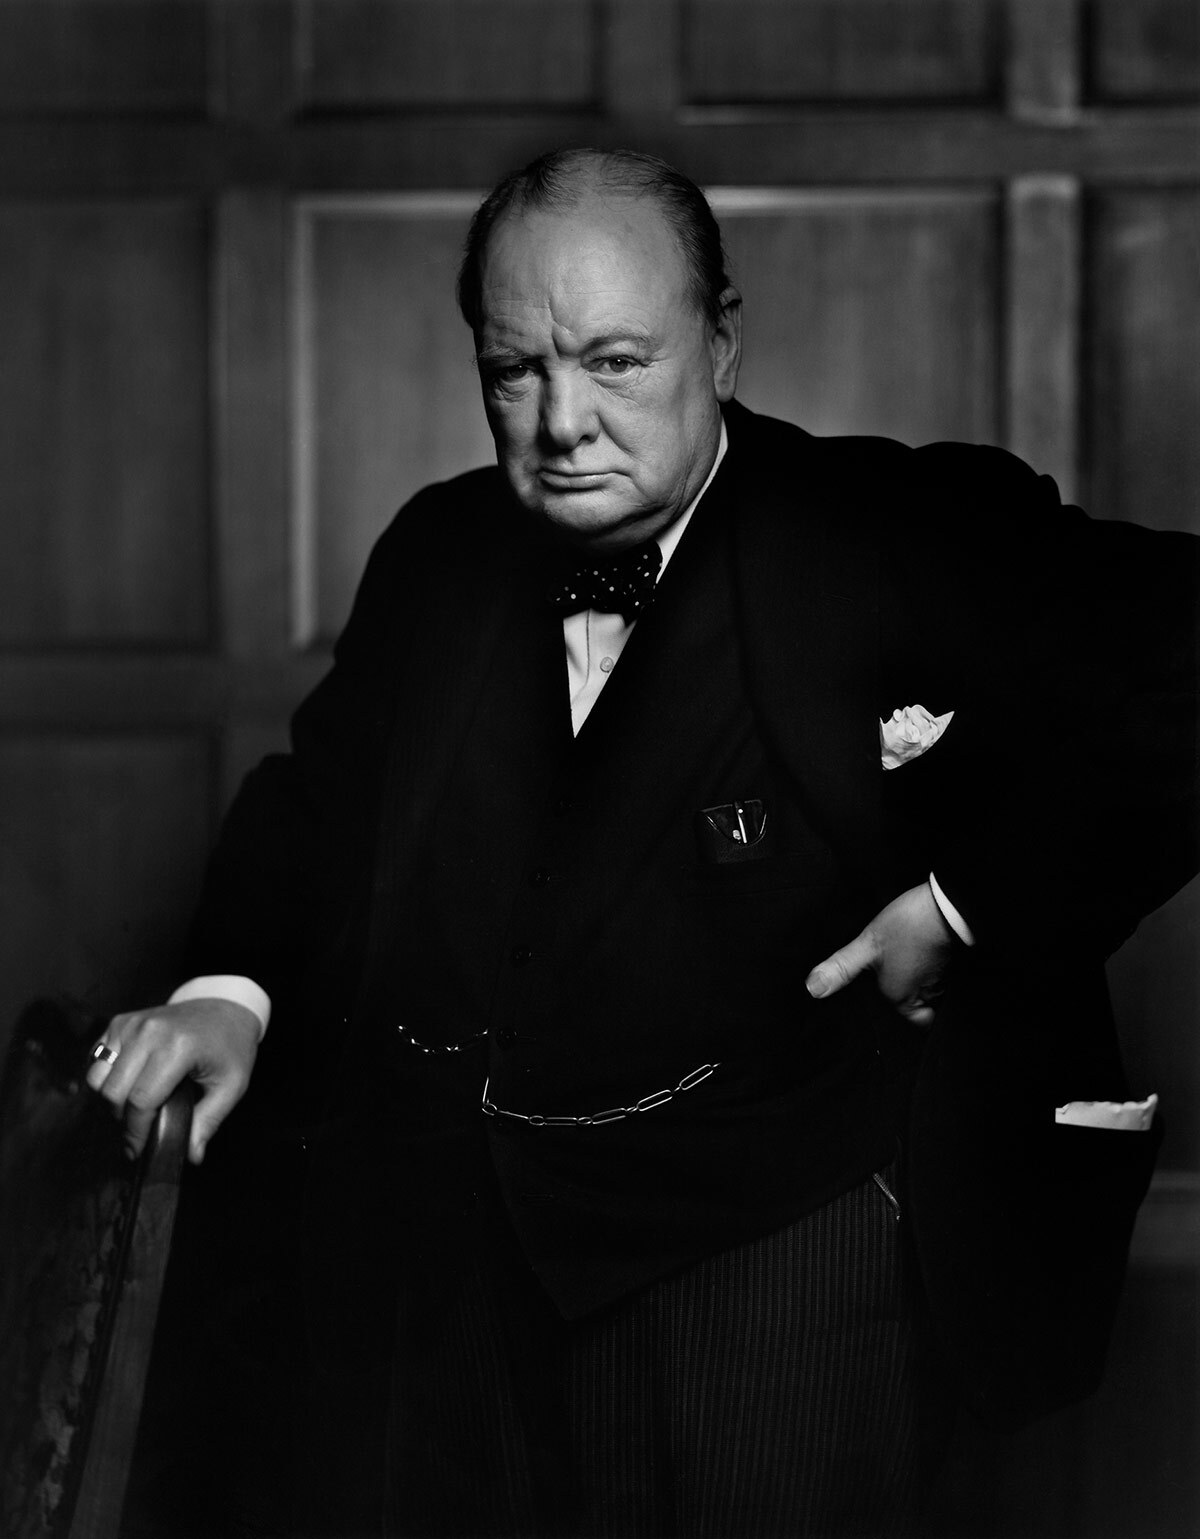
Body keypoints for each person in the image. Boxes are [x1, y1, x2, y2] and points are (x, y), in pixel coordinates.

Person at [88, 148, 1198, 1538]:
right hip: (446, 1265)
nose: (562, 422)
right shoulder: (439, 550)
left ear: (720, 343)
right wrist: (226, 996)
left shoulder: (887, 526)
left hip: (780, 1253)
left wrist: (968, 901)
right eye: (516, 371)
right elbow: (316, 805)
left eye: (615, 362)